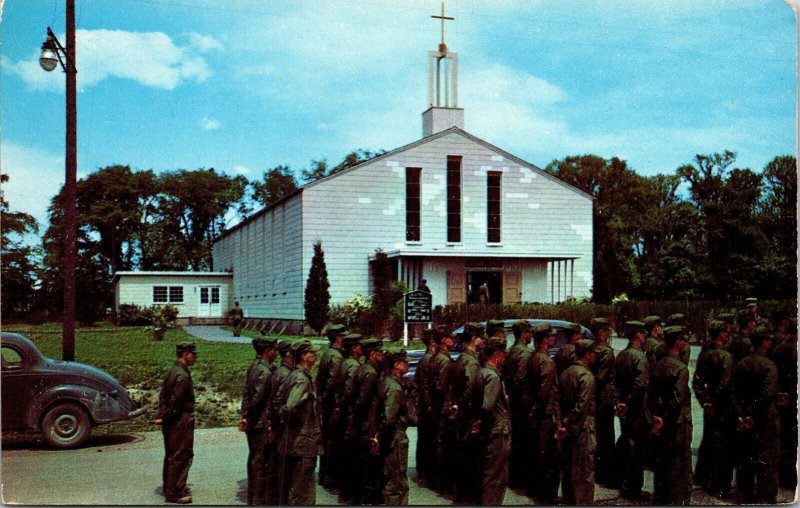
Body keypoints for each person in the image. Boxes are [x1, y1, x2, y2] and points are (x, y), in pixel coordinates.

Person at [733, 327, 780, 504]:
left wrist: (742, 415)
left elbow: (735, 393)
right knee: (767, 461)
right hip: (764, 419)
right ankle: (765, 498)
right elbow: (767, 395)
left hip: (745, 420)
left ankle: (744, 496)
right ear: (765, 342)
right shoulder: (769, 366)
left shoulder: (742, 364)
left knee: (746, 459)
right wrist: (753, 413)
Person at [648, 326, 692, 506]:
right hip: (677, 423)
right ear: (678, 342)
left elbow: (650, 394)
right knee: (679, 466)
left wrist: (656, 418)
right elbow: (677, 398)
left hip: (661, 422)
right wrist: (665, 417)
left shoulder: (658, 364)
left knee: (663, 465)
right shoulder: (681, 368)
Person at [692, 320, 735, 498]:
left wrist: (705, 401)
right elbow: (725, 384)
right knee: (722, 445)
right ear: (722, 334)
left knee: (709, 439)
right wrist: (715, 401)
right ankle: (718, 485)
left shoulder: (704, 354)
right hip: (722, 406)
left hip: (710, 405)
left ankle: (702, 476)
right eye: (726, 332)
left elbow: (697, 382)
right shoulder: (725, 357)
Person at [277, 340, 323, 505]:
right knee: (301, 491)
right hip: (303, 442)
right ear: (304, 356)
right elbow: (289, 407)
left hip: (296, 441)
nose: (315, 355)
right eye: (312, 353)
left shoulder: (294, 375)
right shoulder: (302, 379)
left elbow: (279, 401)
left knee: (298, 488)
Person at [445, 322, 485, 505]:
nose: (483, 341)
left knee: (464, 460)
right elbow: (471, 389)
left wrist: (456, 406)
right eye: (480, 337)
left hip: (462, 416)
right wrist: (468, 410)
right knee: (472, 463)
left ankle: (462, 497)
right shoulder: (471, 361)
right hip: (470, 417)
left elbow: (454, 389)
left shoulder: (460, 359)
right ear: (473, 339)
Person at [613, 321, 651, 502]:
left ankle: (623, 481)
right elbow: (641, 385)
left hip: (625, 408)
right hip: (636, 409)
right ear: (638, 335)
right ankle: (633, 488)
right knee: (638, 449)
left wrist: (620, 402)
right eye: (643, 334)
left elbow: (616, 383)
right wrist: (628, 402)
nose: (645, 338)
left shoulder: (622, 355)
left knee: (627, 444)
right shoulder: (640, 358)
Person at [524, 323, 562, 503]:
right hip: (546, 414)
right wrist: (539, 411)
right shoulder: (545, 360)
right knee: (549, 455)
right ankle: (547, 494)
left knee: (537, 452)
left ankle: (535, 489)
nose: (554, 339)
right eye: (552, 337)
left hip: (538, 412)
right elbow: (545, 391)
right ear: (546, 339)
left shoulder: (534, 357)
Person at [156, 342, 197, 504]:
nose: (195, 357)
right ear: (186, 354)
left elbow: (163, 396)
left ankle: (170, 486)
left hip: (171, 421)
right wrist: (169, 418)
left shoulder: (173, 371)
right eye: (194, 354)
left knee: (171, 456)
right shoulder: (183, 376)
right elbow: (175, 403)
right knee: (181, 455)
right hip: (180, 421)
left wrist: (162, 417)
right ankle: (175, 492)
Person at [239, 337, 277, 505]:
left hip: (253, 421)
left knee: (254, 458)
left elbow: (246, 393)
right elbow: (257, 399)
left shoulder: (254, 367)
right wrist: (248, 416)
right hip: (260, 422)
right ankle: (258, 499)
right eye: (274, 349)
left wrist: (245, 415)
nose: (276, 352)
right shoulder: (266, 372)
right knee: (260, 461)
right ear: (268, 351)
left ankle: (253, 496)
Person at [558, 339, 597, 505]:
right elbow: (581, 407)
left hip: (569, 425)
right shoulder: (586, 376)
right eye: (593, 352)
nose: (596, 355)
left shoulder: (566, 372)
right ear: (587, 355)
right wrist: (570, 426)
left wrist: (564, 425)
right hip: (582, 427)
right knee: (584, 472)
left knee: (569, 470)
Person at [349, 338, 385, 505]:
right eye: (380, 352)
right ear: (373, 354)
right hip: (368, 424)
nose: (382, 355)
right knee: (369, 467)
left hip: (361, 423)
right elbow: (362, 401)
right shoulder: (370, 373)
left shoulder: (362, 368)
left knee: (361, 465)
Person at [264, 340, 297, 506]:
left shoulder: (281, 371)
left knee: (276, 467)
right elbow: (278, 402)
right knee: (281, 469)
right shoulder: (285, 374)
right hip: (282, 426)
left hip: (277, 424)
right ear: (289, 354)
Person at [478, 337, 511, 505]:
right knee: (496, 475)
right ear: (497, 354)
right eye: (503, 354)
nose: (505, 357)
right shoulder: (493, 377)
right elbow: (486, 407)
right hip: (498, 430)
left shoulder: (483, 372)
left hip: (492, 429)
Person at [333, 333, 365, 503]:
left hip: (344, 414)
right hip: (351, 416)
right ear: (354, 348)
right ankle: (349, 494)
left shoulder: (345, 362)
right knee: (352, 457)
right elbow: (349, 393)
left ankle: (345, 491)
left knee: (346, 454)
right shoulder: (353, 366)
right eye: (360, 345)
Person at [317, 324, 347, 488]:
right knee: (333, 441)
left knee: (328, 440)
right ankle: (330, 477)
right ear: (338, 338)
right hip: (333, 406)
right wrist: (336, 406)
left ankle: (325, 475)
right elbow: (333, 384)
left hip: (327, 405)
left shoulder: (328, 353)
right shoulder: (336, 357)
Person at [502, 320, 532, 489]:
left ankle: (514, 477)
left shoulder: (511, 350)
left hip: (513, 401)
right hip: (521, 402)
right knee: (523, 441)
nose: (531, 335)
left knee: (516, 441)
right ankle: (520, 480)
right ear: (523, 334)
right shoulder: (524, 353)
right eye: (529, 332)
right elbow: (520, 379)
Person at [379, 350, 412, 505]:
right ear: (397, 365)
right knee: (397, 482)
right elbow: (389, 418)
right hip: (395, 437)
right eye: (405, 362)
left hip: (391, 436)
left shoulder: (387, 381)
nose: (408, 365)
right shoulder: (395, 387)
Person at [589, 317, 618, 487]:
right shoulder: (605, 352)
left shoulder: (591, 348)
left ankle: (598, 471)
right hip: (604, 400)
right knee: (606, 438)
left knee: (598, 437)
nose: (609, 334)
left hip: (595, 399)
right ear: (601, 332)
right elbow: (602, 378)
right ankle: (605, 474)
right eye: (607, 331)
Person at [771, 317, 797, 490]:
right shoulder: (793, 349)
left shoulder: (779, 348)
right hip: (792, 399)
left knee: (785, 438)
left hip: (782, 398)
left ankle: (784, 476)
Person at [431, 329, 456, 494]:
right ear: (444, 340)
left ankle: (440, 480)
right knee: (445, 446)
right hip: (445, 408)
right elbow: (442, 387)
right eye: (451, 338)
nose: (453, 341)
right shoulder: (445, 361)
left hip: (439, 407)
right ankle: (444, 483)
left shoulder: (435, 357)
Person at [413, 328, 438, 487]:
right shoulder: (429, 360)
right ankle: (428, 473)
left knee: (424, 440)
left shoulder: (424, 359)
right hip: (429, 407)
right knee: (429, 441)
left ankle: (423, 471)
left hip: (424, 406)